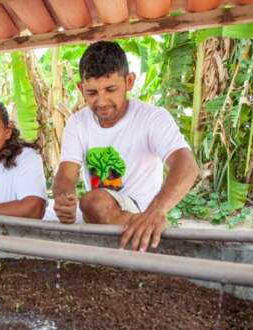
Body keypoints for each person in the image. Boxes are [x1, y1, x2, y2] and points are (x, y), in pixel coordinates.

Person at [52, 41, 200, 252]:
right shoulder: (77, 123)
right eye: (92, 93)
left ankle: (144, 235)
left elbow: (187, 166)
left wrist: (155, 212)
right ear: (80, 88)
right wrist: (63, 198)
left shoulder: (152, 117)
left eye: (110, 89)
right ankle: (145, 241)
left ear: (129, 81)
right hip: (102, 212)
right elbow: (66, 175)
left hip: (141, 209)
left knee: (94, 201)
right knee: (92, 203)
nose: (101, 101)